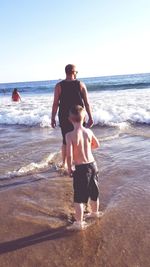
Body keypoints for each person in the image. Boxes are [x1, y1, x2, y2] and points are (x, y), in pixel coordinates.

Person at [66, 105, 102, 230]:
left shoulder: (69, 135)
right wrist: (87, 148)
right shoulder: (89, 131)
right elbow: (97, 145)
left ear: (70, 119)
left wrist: (69, 168)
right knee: (94, 193)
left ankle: (79, 223)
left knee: (79, 198)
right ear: (85, 118)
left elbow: (69, 154)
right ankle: (94, 213)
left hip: (81, 169)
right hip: (93, 165)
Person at [51, 64, 94, 167]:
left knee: (66, 140)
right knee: (79, 137)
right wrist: (90, 117)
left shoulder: (59, 86)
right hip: (79, 116)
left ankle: (65, 163)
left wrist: (53, 118)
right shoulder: (81, 84)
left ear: (66, 72)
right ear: (74, 72)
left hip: (65, 116)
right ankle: (80, 160)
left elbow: (55, 103)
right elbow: (87, 103)